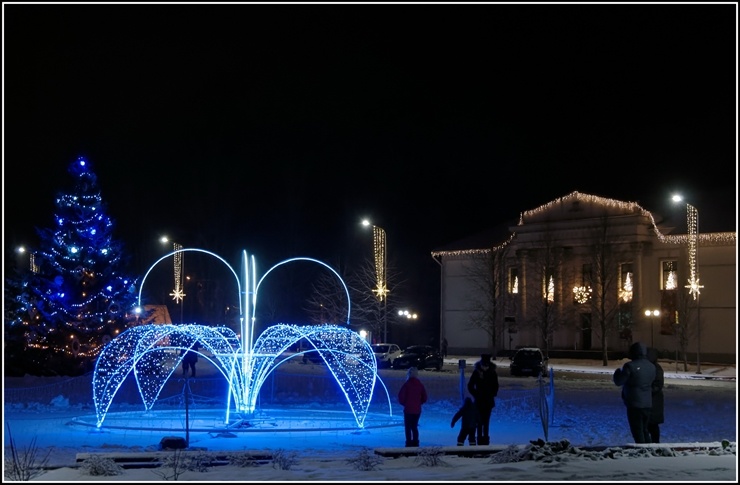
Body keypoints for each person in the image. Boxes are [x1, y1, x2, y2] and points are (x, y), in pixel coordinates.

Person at [613, 341, 656, 444]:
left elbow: (619, 381)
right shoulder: (651, 366)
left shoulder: (630, 366)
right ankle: (649, 450)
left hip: (634, 403)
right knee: (645, 430)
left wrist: (617, 373)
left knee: (637, 431)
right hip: (647, 403)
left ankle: (642, 452)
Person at [467, 353, 499, 446]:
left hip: (487, 401)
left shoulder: (492, 372)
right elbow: (470, 385)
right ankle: (481, 441)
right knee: (480, 422)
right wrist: (476, 394)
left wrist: (492, 394)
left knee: (485, 422)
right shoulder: (477, 372)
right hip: (480, 401)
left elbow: (496, 386)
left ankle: (485, 442)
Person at [398, 366, 428, 447]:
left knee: (408, 427)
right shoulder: (420, 384)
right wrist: (419, 403)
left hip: (408, 409)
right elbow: (425, 397)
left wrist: (405, 403)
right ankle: (415, 442)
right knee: (414, 427)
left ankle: (408, 442)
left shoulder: (407, 385)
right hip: (417, 410)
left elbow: (401, 396)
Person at [646, 347, 665, 443]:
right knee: (651, 426)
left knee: (652, 426)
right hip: (653, 402)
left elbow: (658, 385)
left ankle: (655, 445)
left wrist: (646, 390)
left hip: (654, 402)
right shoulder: (654, 368)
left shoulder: (656, 369)